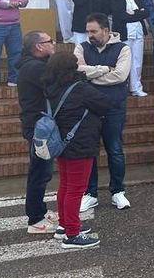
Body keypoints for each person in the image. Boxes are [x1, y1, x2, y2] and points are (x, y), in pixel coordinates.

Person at [42, 52, 111, 248]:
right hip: (80, 143)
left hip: (62, 143)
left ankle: (65, 224)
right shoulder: (79, 88)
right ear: (70, 68)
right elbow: (106, 103)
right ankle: (72, 234)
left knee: (65, 185)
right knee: (76, 189)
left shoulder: (51, 88)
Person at [74, 13, 132, 212]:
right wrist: (104, 69)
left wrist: (91, 75)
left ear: (106, 31)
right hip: (88, 110)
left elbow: (120, 75)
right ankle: (90, 193)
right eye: (87, 31)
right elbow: (77, 71)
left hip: (114, 108)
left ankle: (118, 191)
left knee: (115, 150)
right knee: (90, 152)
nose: (89, 35)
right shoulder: (81, 47)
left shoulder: (123, 48)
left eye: (93, 31)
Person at [16, 31, 57, 234]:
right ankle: (35, 219)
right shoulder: (34, 68)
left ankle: (40, 210)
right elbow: (54, 87)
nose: (53, 43)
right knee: (39, 173)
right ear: (39, 46)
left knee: (43, 171)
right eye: (50, 41)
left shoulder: (33, 65)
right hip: (38, 129)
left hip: (38, 126)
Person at [110, 0, 148, 96]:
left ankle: (136, 87)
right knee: (125, 61)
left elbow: (146, 12)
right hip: (125, 34)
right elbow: (121, 16)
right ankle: (123, 87)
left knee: (137, 61)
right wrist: (138, 14)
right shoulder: (116, 0)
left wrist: (134, 13)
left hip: (138, 33)